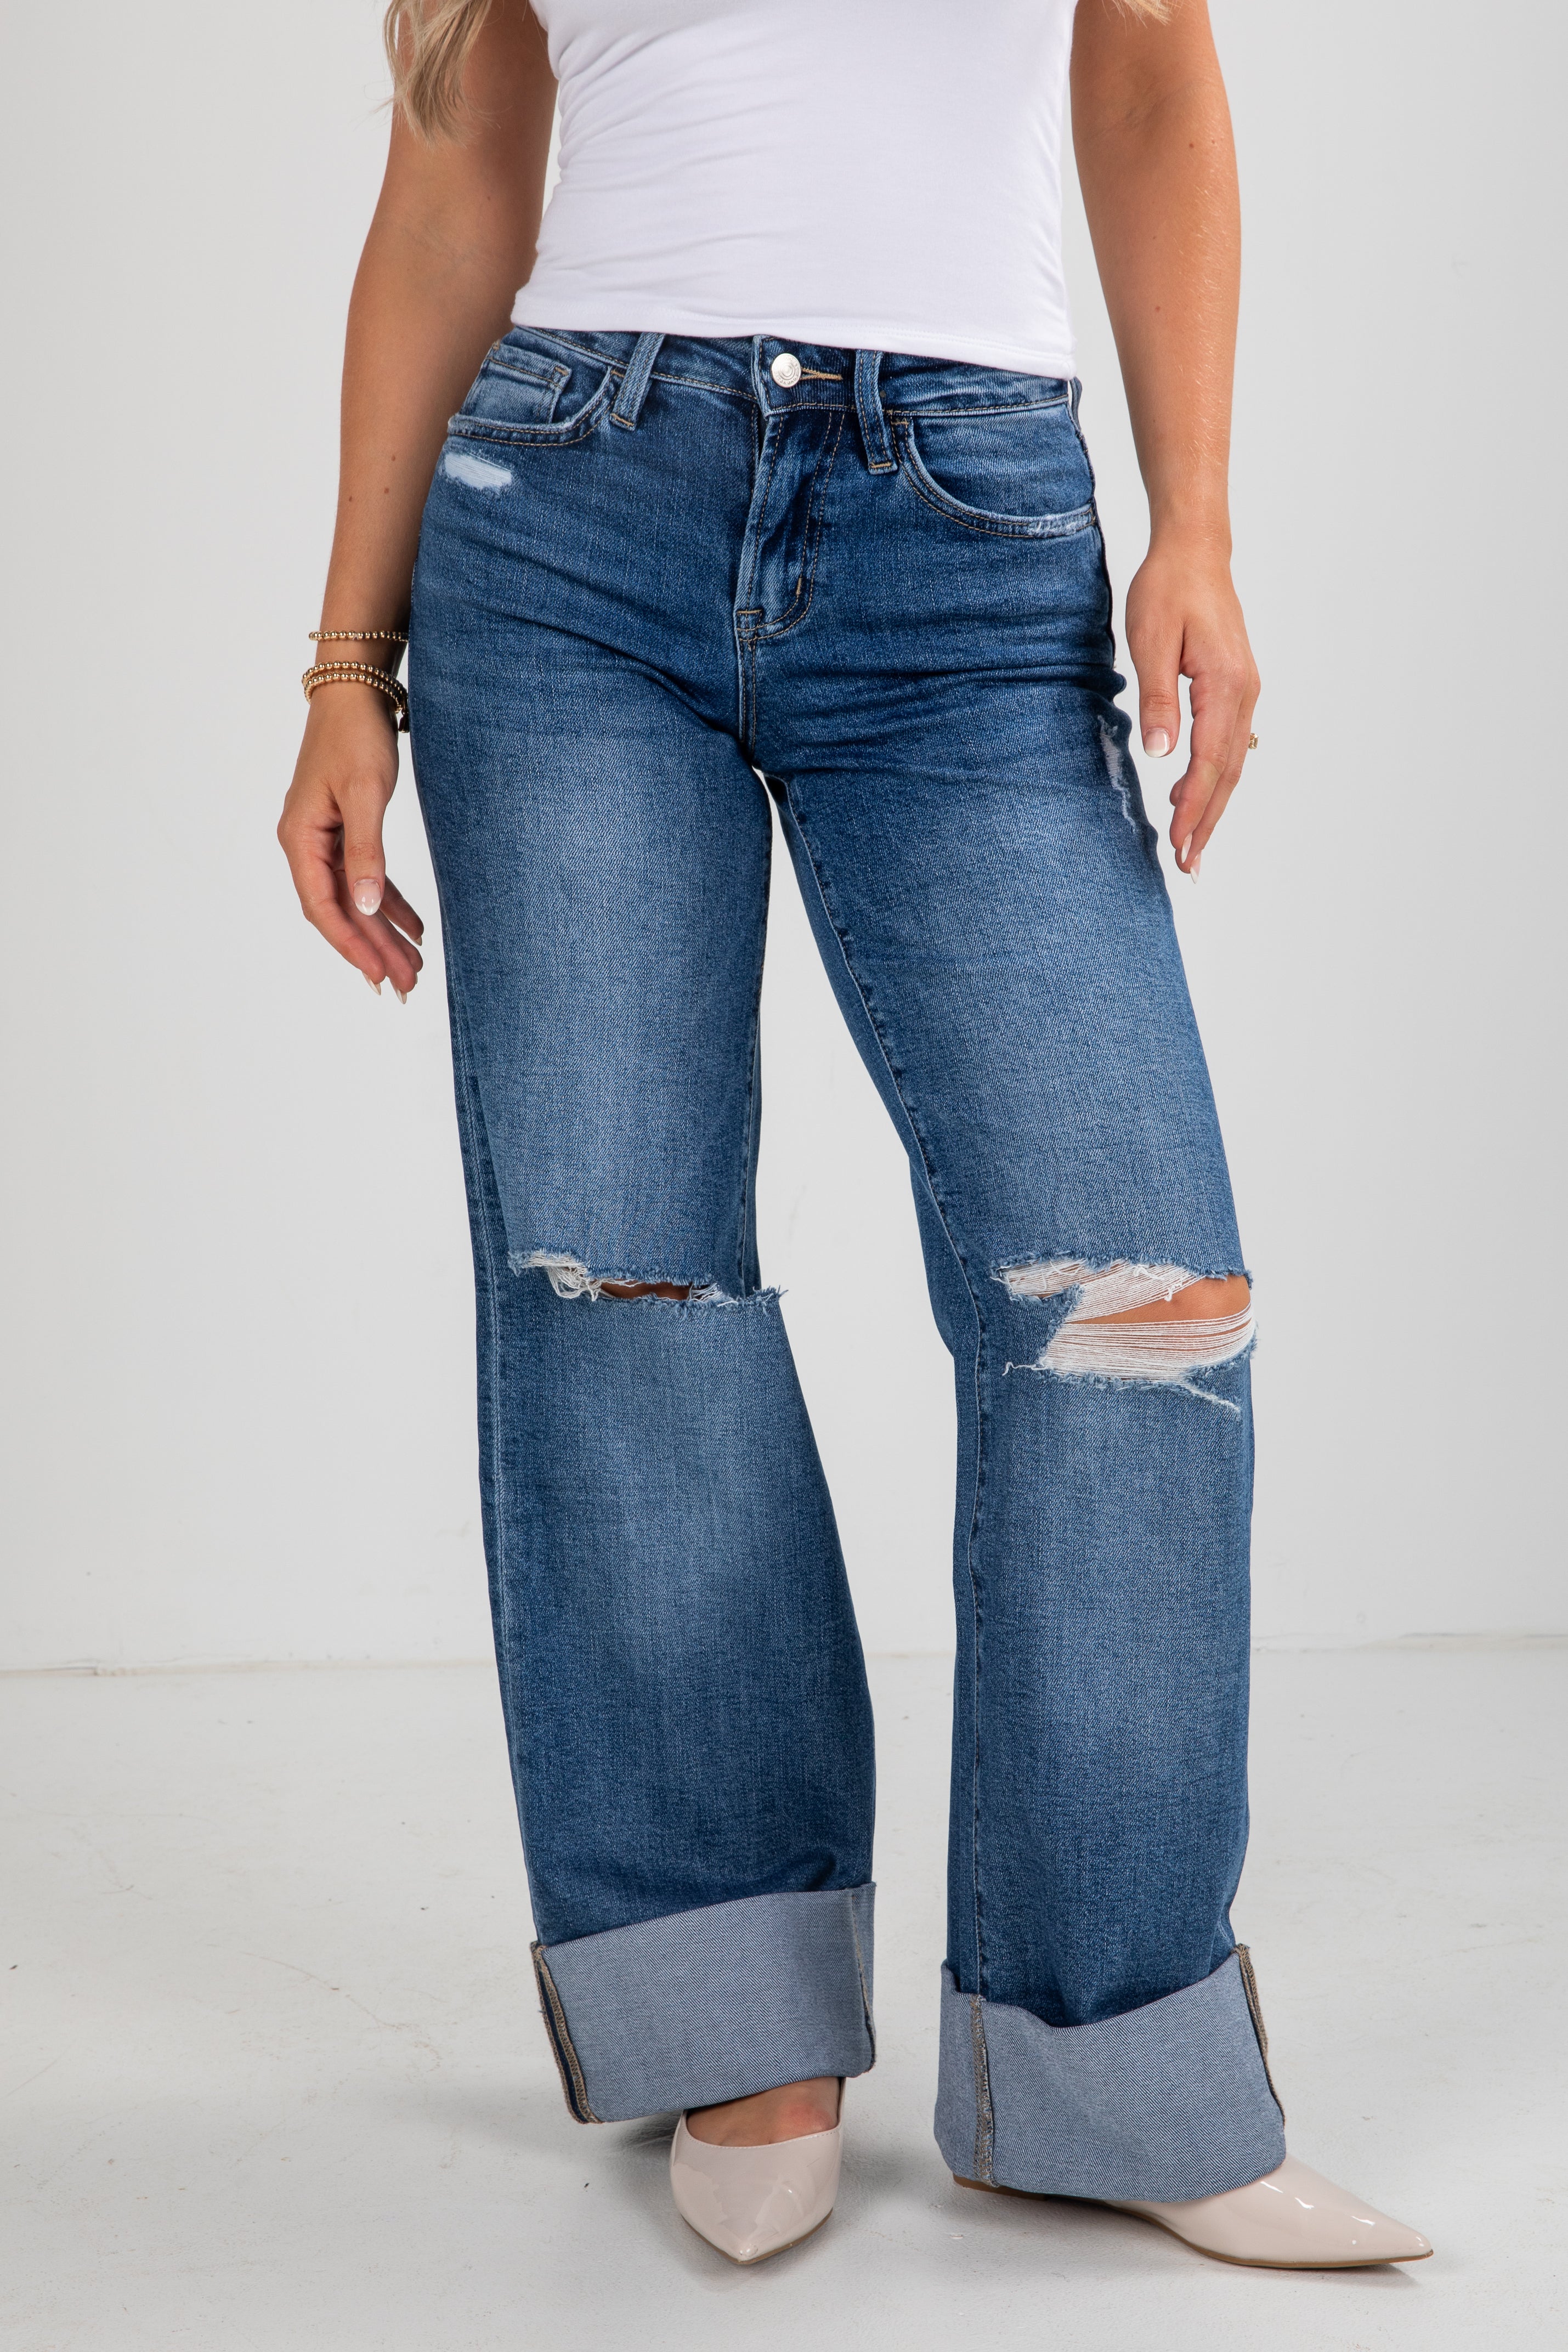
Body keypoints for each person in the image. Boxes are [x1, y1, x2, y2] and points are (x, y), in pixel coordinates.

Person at [279, 0, 1430, 2272]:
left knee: (1132, 1302)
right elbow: (453, 171)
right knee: (623, 1281)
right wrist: (345, 669)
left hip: (970, 524)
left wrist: (1195, 520)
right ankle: (740, 2027)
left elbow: (1148, 67)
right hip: (566, 521)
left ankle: (1107, 2060)